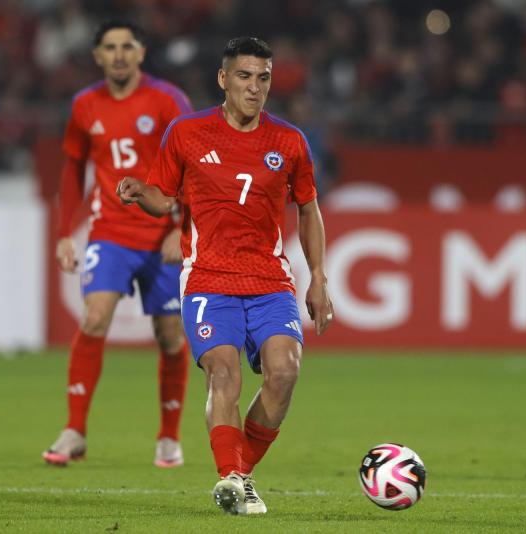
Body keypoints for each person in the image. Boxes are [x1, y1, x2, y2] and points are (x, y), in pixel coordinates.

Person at [118, 36, 334, 514]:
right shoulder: (187, 132)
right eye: (244, 76)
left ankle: (240, 475)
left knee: (284, 372)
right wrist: (140, 193)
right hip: (208, 278)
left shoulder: (290, 141)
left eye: (263, 78)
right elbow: (164, 197)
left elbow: (308, 208)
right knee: (223, 372)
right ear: (223, 79)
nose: (255, 88)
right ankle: (231, 477)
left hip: (269, 280)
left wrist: (318, 277)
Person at [42, 20, 193, 469]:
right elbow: (72, 170)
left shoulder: (168, 100)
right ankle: (75, 430)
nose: (120, 54)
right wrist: (65, 232)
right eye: (110, 47)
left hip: (161, 233)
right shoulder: (85, 105)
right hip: (109, 232)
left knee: (169, 337)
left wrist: (180, 227)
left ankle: (168, 436)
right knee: (93, 318)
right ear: (98, 56)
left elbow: (193, 165)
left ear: (142, 53)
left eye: (128, 46)